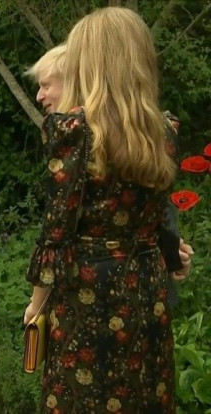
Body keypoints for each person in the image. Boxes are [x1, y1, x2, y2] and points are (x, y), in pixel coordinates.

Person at [22, 8, 183, 412]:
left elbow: (56, 232)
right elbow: (158, 210)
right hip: (146, 287)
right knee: (144, 394)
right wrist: (171, 255)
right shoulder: (162, 130)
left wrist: (36, 303)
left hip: (90, 292)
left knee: (84, 400)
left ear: (89, 63)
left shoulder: (75, 132)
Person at [25, 44, 194, 295]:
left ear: (73, 83)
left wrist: (170, 248)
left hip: (98, 295)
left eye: (46, 85)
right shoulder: (116, 130)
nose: (39, 96)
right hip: (140, 291)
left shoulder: (81, 137)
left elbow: (58, 233)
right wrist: (169, 247)